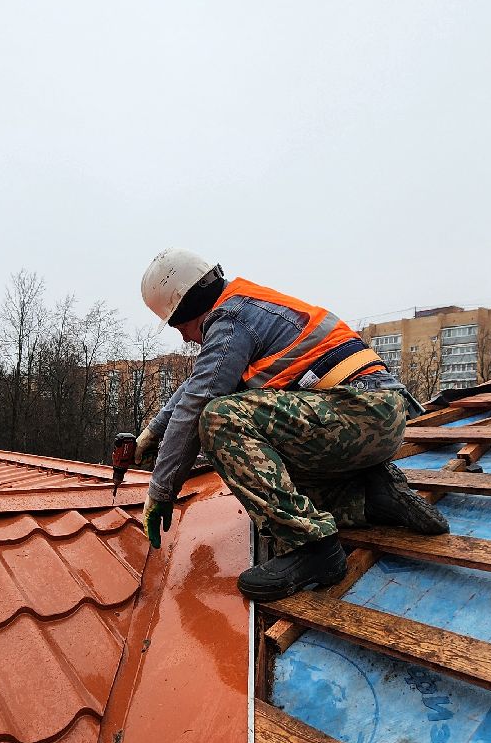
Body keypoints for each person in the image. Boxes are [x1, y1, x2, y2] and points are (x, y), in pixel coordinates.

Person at [136, 248, 449, 601]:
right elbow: (196, 383)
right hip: (375, 418)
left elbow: (198, 402)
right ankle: (371, 498)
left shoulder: (229, 320)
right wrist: (153, 432)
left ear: (188, 306)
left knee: (219, 419)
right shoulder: (244, 308)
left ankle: (312, 547)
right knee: (270, 473)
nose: (185, 339)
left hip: (357, 412)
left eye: (179, 326)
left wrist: (160, 491)